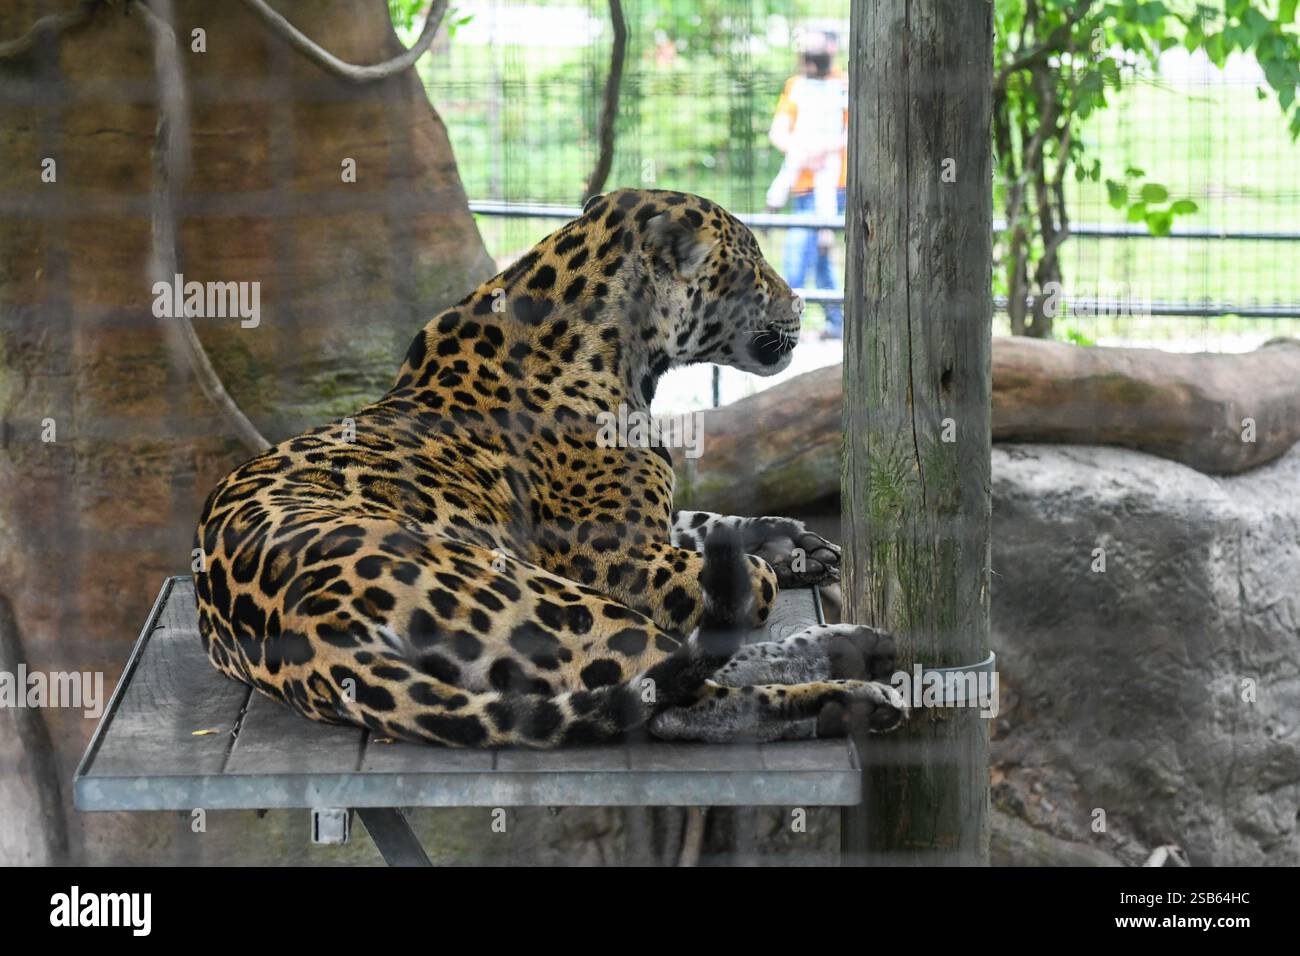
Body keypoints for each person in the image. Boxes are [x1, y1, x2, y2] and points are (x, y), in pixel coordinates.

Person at [767, 31, 847, 339]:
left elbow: (852, 132)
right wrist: (801, 149)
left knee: (801, 250)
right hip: (801, 181)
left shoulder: (842, 85)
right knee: (814, 253)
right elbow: (779, 132)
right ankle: (832, 321)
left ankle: (786, 322)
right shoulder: (796, 86)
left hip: (832, 179)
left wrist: (824, 149)